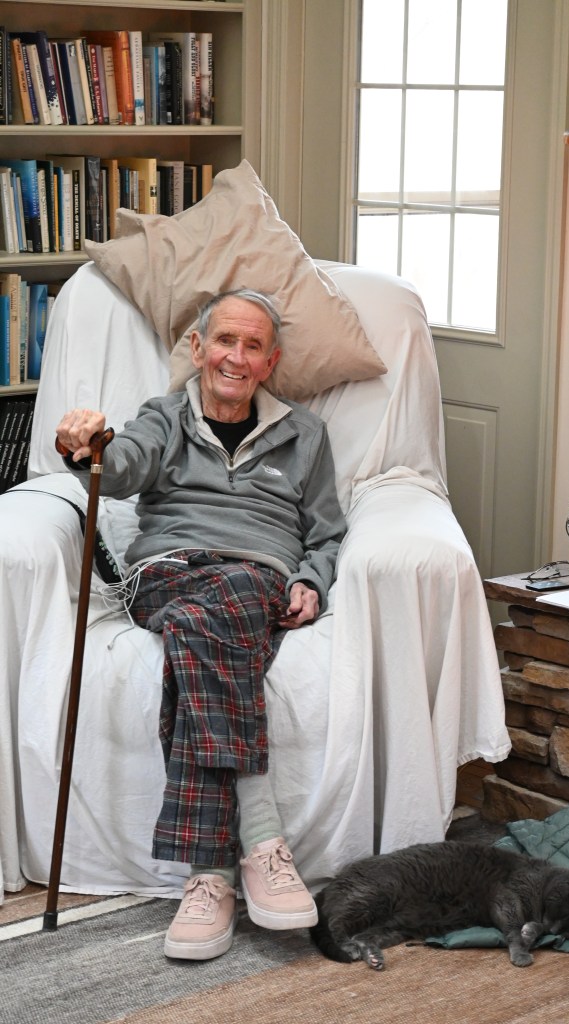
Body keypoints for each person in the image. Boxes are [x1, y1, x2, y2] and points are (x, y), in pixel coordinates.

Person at [56, 288, 346, 962]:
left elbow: (327, 533)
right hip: (166, 572)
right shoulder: (164, 417)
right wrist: (88, 444)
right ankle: (263, 839)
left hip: (254, 580)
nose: (235, 358)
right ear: (198, 348)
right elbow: (119, 468)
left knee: (200, 620)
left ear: (270, 361)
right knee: (215, 600)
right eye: (224, 341)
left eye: (252, 346)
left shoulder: (305, 436)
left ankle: (209, 876)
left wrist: (310, 580)